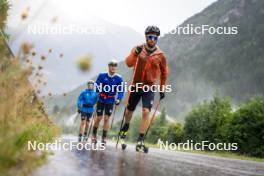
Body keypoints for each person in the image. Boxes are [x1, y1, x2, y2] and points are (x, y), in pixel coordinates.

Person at [119, 26, 169, 151]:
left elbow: (164, 72)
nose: (152, 40)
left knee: (146, 111)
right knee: (129, 112)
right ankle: (125, 128)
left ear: (157, 39)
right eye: (150, 37)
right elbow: (128, 63)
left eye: (154, 37)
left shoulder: (161, 55)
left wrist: (162, 88)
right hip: (136, 85)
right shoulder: (138, 48)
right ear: (146, 37)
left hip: (149, 87)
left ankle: (140, 141)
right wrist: (135, 53)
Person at [92, 60, 124, 145]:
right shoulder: (102, 75)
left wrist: (119, 99)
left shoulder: (119, 78)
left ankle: (104, 137)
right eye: (111, 65)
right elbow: (97, 85)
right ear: (108, 67)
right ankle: (94, 134)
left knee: (106, 118)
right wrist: (97, 91)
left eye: (115, 66)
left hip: (110, 100)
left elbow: (121, 90)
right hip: (101, 99)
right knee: (99, 118)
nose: (113, 67)